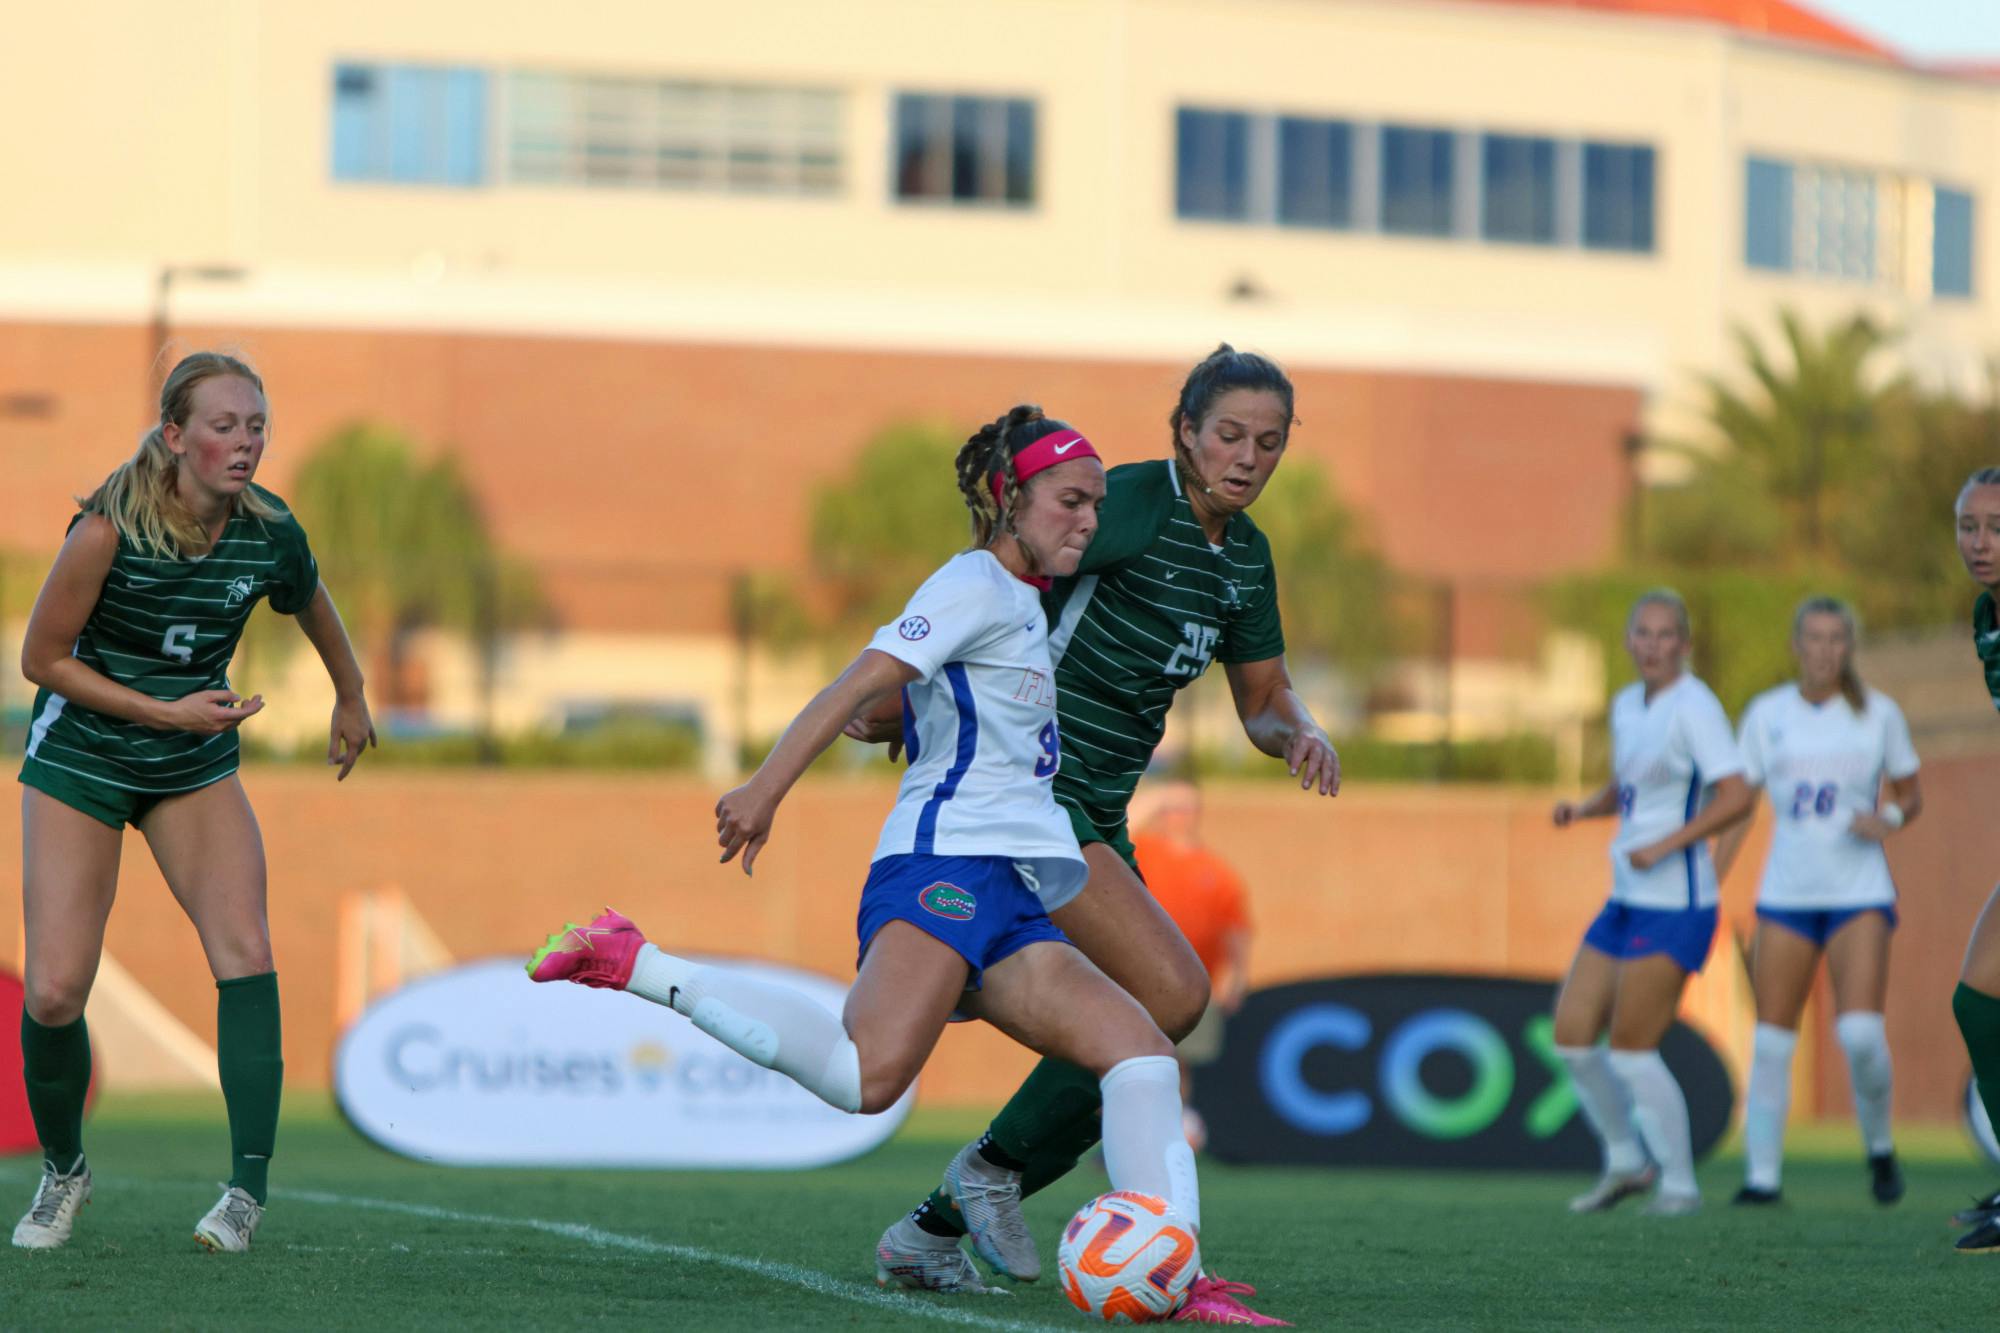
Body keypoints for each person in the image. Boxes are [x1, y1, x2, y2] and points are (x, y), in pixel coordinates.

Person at [527, 406, 1262, 1321]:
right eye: (1071, 501)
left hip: (1017, 894)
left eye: (1097, 504)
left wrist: (926, 721)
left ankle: (1177, 1279)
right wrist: (764, 788)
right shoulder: (971, 584)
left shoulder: (1027, 602)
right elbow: (858, 683)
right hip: (940, 870)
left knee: (1143, 1055)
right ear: (1009, 499)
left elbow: (954, 710)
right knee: (862, 1080)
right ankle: (633, 960)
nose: (1088, 520)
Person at [858, 347, 1331, 1325]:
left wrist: (1299, 732)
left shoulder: (1243, 557)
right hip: (1035, 790)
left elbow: (1260, 701)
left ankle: (935, 1224)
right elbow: (1000, 574)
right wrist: (911, 694)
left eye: (1268, 442)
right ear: (1185, 432)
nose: (1246, 457)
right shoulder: (1125, 504)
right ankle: (998, 1168)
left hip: (1099, 809)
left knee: (1148, 1013)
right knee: (1169, 994)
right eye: (1228, 435)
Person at [11, 352, 375, 1253]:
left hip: (192, 765)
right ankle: (64, 1171)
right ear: (174, 437)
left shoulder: (267, 529)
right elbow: (41, 661)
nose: (245, 442)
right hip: (85, 758)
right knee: (55, 988)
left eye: (256, 426)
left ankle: (245, 1194)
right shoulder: (104, 530)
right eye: (224, 426)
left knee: (246, 951)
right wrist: (161, 710)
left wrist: (352, 693)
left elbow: (311, 599)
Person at [1549, 590, 1752, 1216]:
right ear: (1629, 642)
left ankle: (1682, 1187)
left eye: (1667, 635)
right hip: (1627, 898)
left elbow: (1738, 795)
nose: (1655, 645)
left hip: (1679, 904)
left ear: (1684, 645)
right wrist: (1586, 809)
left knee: (1633, 1049)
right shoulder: (1626, 705)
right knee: (1573, 1037)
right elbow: (1631, 786)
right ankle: (1626, 1162)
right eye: (1644, 633)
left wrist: (1669, 844)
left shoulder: (1696, 707)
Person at [1714, 598, 1921, 1207]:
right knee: (1774, 1039)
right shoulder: (1767, 714)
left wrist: (1886, 816)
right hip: (1787, 894)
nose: (1825, 650)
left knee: (1858, 1033)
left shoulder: (1878, 714)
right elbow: (1738, 804)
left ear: (1848, 647)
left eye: (1836, 639)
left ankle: (1880, 1149)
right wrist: (1708, 881)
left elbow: (1911, 794)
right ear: (1796, 645)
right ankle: (1762, 1178)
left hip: (1859, 892)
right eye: (1814, 638)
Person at [1129, 780, 1252, 1151]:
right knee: (1132, 1053)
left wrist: (1238, 977)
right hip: (1140, 977)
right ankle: (1125, 1135)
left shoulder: (1215, 869)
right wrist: (1154, 799)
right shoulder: (1143, 850)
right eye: (1171, 808)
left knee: (1180, 1062)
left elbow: (1237, 929)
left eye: (1185, 808)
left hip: (1196, 984)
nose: (1177, 816)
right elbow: (1119, 827)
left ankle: (1171, 1133)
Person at [1950, 467, 2000, 1252]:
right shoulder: (1987, 615)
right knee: (1977, 997)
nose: (1980, 541)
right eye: (1968, 525)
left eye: (1995, 525)